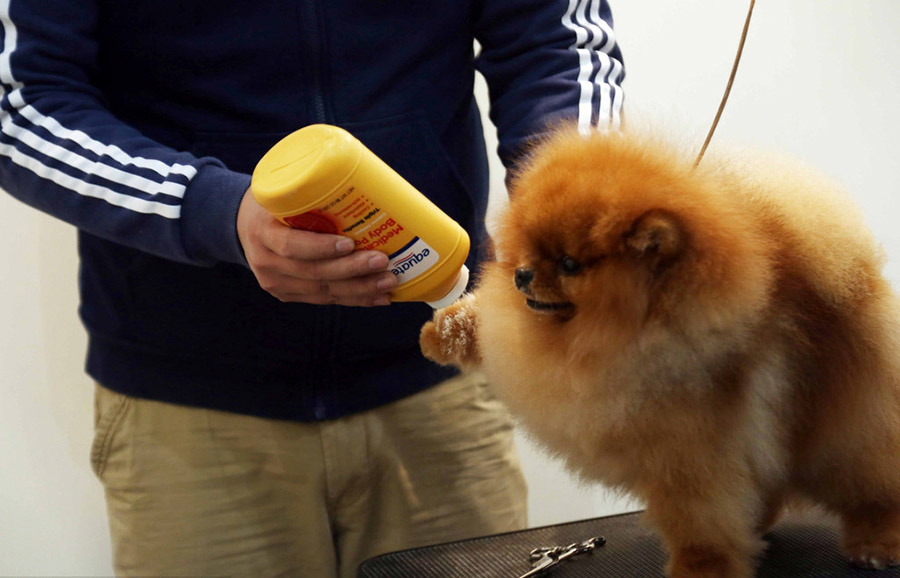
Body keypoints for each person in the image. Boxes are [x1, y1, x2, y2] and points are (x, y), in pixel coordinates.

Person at [0, 0, 624, 576]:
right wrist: (213, 210)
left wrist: (572, 220)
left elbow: (556, 42)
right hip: (191, 406)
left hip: (439, 374)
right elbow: (23, 103)